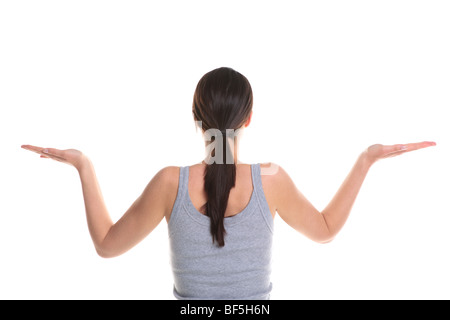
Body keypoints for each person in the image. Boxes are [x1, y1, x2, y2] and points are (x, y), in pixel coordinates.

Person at [22, 67, 436, 300]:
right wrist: (365, 161)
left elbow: (107, 246)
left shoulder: (171, 183)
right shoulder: (270, 179)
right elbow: (326, 231)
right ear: (249, 117)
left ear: (195, 117)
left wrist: (84, 166)